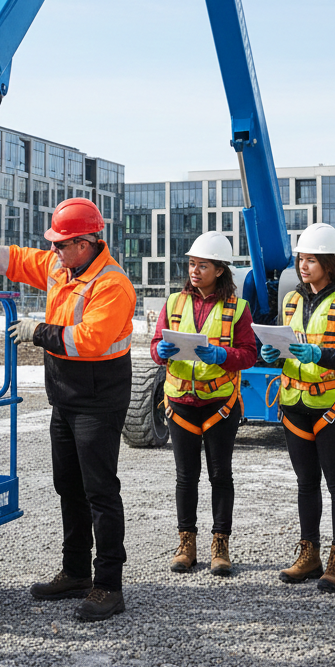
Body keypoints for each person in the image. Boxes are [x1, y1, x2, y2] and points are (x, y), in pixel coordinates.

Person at [0, 196, 136, 623]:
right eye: (55, 245)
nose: (54, 251)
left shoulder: (112, 284)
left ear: (86, 243)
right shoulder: (63, 267)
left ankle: (109, 585)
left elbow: (90, 340)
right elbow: (17, 259)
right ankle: (77, 572)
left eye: (61, 244)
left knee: (99, 490)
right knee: (69, 486)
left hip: (98, 400)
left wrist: (37, 332)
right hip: (66, 398)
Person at [258, 222, 335, 592]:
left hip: (331, 405)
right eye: (301, 259)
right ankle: (309, 553)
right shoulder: (291, 300)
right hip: (293, 403)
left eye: (311, 260)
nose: (303, 267)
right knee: (306, 483)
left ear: (329, 262)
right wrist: (271, 354)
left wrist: (321, 354)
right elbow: (281, 343)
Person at [149, 231, 256, 576]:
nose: (194, 270)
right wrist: (158, 352)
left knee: (220, 474)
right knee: (185, 476)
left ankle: (220, 544)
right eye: (192, 264)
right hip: (180, 401)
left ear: (220, 270)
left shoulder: (238, 309)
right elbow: (155, 344)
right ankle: (187, 544)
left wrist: (223, 354)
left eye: (203, 265)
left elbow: (249, 355)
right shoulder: (174, 302)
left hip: (219, 404)